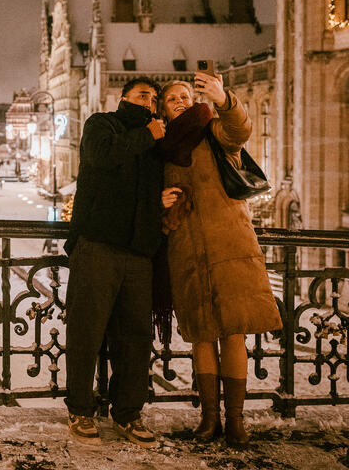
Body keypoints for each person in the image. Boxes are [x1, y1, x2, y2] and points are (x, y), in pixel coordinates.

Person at [157, 74, 281, 448]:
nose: (179, 100)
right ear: (163, 109)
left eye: (184, 95)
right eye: (171, 99)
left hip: (230, 246)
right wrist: (160, 203)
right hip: (188, 249)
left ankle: (236, 421)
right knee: (201, 337)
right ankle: (209, 419)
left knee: (233, 333)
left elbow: (239, 130)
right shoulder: (161, 147)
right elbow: (150, 192)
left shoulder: (212, 129)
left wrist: (223, 98)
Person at [63, 77, 175, 448]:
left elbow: (136, 190)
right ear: (123, 98)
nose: (150, 101)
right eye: (143, 95)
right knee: (87, 332)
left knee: (134, 339)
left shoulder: (155, 140)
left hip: (138, 253)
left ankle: (128, 412)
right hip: (98, 245)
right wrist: (148, 134)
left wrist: (161, 201)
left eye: (154, 98)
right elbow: (103, 158)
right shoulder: (102, 124)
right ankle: (81, 409)